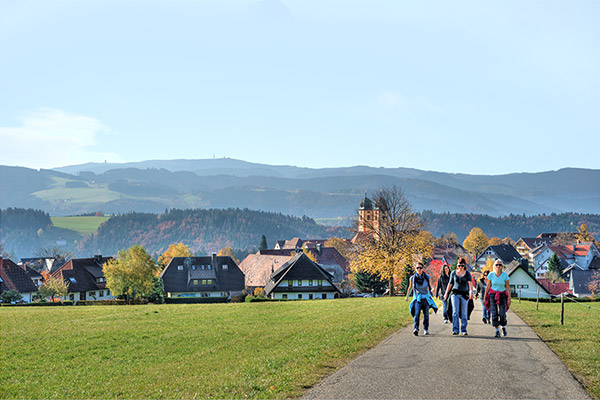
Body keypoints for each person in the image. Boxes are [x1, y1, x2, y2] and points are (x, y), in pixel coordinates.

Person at [405, 262, 437, 336]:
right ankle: (416, 328)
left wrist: (432, 289)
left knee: (426, 314)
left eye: (420, 268)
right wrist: (407, 296)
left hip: (425, 297)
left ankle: (426, 329)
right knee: (417, 313)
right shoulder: (412, 278)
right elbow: (410, 288)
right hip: (417, 297)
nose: (419, 269)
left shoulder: (427, 277)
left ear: (423, 269)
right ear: (415, 269)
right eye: (417, 268)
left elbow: (431, 285)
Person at [444, 257, 474, 335]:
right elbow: (450, 284)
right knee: (455, 312)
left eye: (462, 265)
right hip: (455, 294)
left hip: (464, 294)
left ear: (464, 265)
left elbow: (470, 284)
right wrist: (446, 293)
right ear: (457, 265)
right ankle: (455, 329)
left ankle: (463, 329)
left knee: (464, 313)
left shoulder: (467, 273)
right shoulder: (453, 273)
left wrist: (471, 292)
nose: (460, 267)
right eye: (459, 265)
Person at [484, 259, 511, 338]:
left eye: (500, 265)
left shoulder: (505, 275)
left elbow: (508, 287)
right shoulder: (491, 275)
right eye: (496, 265)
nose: (498, 266)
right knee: (494, 313)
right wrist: (485, 297)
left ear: (502, 266)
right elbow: (488, 286)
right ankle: (497, 331)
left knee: (502, 313)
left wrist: (509, 298)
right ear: (494, 266)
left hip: (502, 295)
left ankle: (503, 327)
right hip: (492, 295)